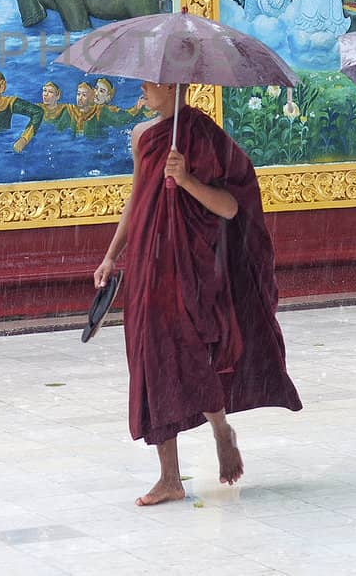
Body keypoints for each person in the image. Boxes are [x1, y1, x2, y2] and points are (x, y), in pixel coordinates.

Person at [93, 82, 302, 506]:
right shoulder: (142, 137)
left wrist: (185, 179)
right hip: (149, 266)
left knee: (192, 353)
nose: (143, 89)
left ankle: (222, 430)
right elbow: (136, 200)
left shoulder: (204, 135)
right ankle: (169, 476)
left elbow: (229, 207)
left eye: (151, 82)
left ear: (172, 86)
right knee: (151, 360)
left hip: (193, 267)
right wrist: (111, 256)